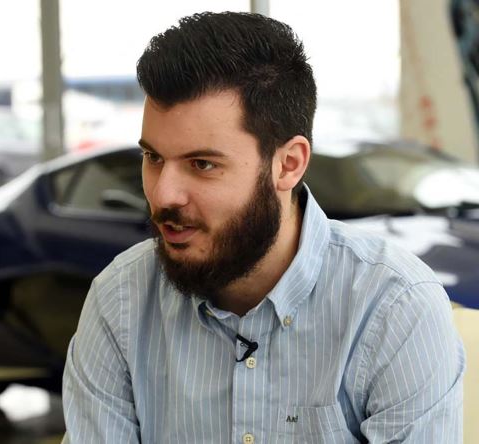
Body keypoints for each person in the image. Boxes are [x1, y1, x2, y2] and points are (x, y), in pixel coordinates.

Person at [62, 11, 465, 443]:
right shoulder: (121, 300)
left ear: (288, 165)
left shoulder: (392, 307)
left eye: (202, 164)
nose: (163, 196)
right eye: (153, 158)